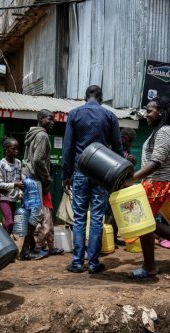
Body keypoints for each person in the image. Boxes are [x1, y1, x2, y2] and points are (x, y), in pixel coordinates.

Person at [62, 85, 124, 274]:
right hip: (102, 173)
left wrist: (66, 175)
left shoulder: (74, 115)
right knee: (97, 217)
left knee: (79, 217)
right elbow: (118, 148)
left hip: (80, 171)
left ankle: (78, 262)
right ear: (101, 97)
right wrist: (119, 175)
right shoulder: (109, 116)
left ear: (85, 97)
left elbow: (68, 148)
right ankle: (94, 262)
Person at [125, 97, 170, 278]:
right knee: (146, 222)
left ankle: (150, 266)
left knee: (143, 223)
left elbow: (157, 162)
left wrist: (133, 178)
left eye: (149, 111)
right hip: (154, 182)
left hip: (159, 183)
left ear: (160, 111)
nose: (146, 115)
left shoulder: (164, 132)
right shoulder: (159, 131)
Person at [19, 110, 54, 260]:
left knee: (31, 213)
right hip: (34, 177)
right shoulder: (42, 135)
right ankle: (25, 251)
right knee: (36, 214)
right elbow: (39, 159)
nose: (52, 122)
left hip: (27, 175)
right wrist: (46, 177)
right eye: (49, 119)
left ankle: (30, 247)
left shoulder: (32, 133)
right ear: (40, 119)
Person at [0, 137, 23, 234]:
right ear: (6, 149)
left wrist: (20, 192)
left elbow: (19, 179)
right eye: (13, 149)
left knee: (11, 225)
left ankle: (4, 243)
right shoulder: (1, 164)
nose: (16, 151)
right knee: (9, 222)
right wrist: (14, 185)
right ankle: (2, 243)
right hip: (4, 197)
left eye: (17, 148)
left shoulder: (18, 163)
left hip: (14, 198)